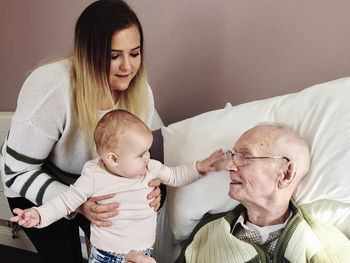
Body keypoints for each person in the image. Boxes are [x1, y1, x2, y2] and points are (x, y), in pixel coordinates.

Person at [0, 1, 163, 262]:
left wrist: (154, 187)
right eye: (113, 55)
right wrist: (77, 203)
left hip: (94, 185)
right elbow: (15, 172)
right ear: (88, 54)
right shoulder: (50, 89)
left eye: (135, 53)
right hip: (34, 182)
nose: (127, 67)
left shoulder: (141, 93)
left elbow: (138, 158)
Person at [9, 109, 224, 263]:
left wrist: (200, 166)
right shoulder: (94, 176)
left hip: (144, 251)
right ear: (113, 159)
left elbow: (176, 176)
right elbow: (65, 202)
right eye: (141, 154)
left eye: (147, 151)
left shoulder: (151, 168)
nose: (148, 157)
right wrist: (38, 215)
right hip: (105, 256)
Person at [176, 124, 350, 263]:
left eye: (244, 157)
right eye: (232, 155)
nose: (229, 166)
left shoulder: (326, 244)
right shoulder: (206, 232)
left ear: (286, 174)